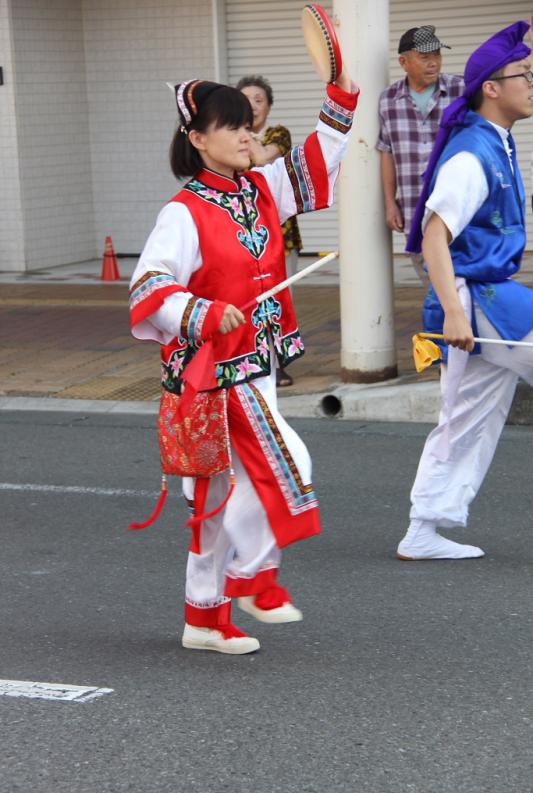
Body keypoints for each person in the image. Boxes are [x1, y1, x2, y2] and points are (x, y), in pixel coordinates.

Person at [129, 73, 359, 653]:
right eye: (228, 125)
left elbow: (312, 164)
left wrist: (339, 99)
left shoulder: (259, 188)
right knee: (285, 461)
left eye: (245, 122)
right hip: (212, 372)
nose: (243, 132)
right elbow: (149, 286)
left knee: (215, 498)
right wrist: (203, 312)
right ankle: (255, 581)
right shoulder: (183, 211)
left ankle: (203, 619)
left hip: (254, 364)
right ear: (198, 139)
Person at [396, 21, 533, 560]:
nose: (532, 83)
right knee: (465, 417)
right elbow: (434, 235)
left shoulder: (494, 140)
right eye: (524, 74)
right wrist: (454, 314)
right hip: (477, 298)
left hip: (480, 297)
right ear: (492, 88)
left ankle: (422, 529)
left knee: (469, 417)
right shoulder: (473, 150)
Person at [377, 25, 463, 285]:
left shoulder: (461, 89)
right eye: (425, 57)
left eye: (437, 55)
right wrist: (390, 203)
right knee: (432, 285)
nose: (434, 62)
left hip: (458, 205)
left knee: (464, 282)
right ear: (404, 62)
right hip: (415, 207)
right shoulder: (388, 100)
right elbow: (387, 152)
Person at [236, 74, 303, 388]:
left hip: (280, 233)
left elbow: (263, 156)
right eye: (245, 101)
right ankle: (253, 361)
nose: (252, 106)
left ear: (270, 106)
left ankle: (278, 362)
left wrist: (245, 136)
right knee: (248, 299)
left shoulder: (278, 134)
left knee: (279, 298)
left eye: (259, 100)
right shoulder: (229, 139)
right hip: (241, 231)